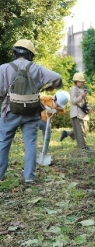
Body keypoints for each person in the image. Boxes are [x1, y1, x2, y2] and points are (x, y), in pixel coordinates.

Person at [0, 39, 63, 183]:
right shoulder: (37, 68)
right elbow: (57, 77)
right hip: (32, 112)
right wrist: (50, 87)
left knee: (3, 142)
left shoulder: (4, 68)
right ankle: (29, 177)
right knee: (30, 143)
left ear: (14, 52)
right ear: (30, 54)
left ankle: (0, 175)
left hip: (11, 111)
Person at [60, 73, 92, 150]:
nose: (82, 83)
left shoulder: (81, 90)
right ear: (76, 81)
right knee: (81, 131)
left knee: (83, 129)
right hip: (76, 113)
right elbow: (73, 101)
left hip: (82, 113)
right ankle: (83, 146)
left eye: (82, 82)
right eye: (80, 81)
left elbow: (83, 102)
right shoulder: (73, 89)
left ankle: (67, 133)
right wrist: (81, 96)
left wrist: (88, 107)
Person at [38, 90, 70, 154]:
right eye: (57, 104)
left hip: (47, 122)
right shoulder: (48, 98)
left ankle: (44, 152)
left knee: (47, 137)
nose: (58, 106)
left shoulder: (60, 107)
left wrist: (55, 110)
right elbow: (38, 99)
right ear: (55, 98)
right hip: (38, 119)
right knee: (33, 133)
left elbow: (62, 111)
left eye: (59, 105)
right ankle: (32, 149)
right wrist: (44, 107)